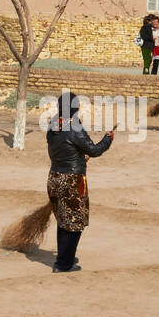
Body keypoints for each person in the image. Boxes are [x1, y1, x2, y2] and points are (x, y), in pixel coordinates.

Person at [46, 90, 114, 272]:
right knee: (74, 223)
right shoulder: (74, 127)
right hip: (72, 181)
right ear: (75, 108)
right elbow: (94, 150)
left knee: (63, 221)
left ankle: (64, 258)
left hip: (54, 178)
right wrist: (108, 139)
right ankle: (63, 264)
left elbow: (62, 150)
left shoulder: (53, 125)